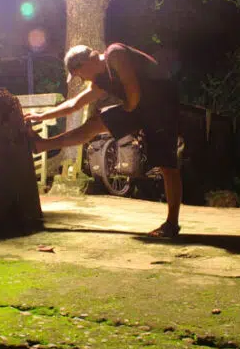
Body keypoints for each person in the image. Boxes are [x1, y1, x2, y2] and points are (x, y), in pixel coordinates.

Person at [24, 42, 182, 238]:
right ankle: (41, 145)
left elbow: (132, 92)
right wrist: (42, 116)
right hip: (139, 108)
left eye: (79, 74)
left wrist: (118, 119)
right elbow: (75, 104)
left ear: (85, 63)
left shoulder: (115, 54)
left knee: (167, 166)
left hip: (162, 107)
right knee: (94, 123)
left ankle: (171, 224)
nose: (82, 79)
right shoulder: (101, 79)